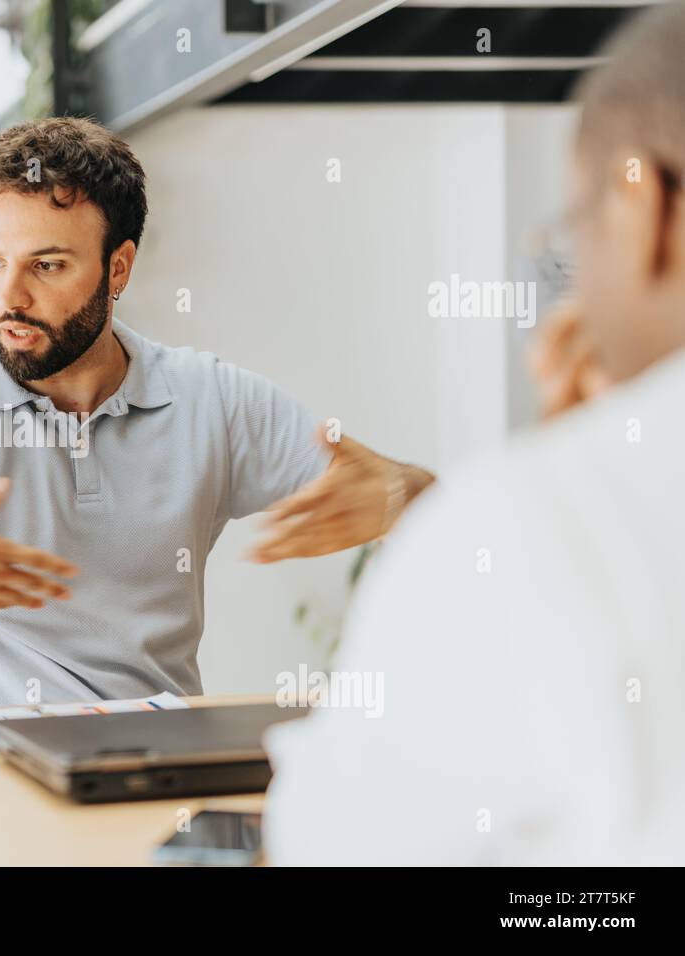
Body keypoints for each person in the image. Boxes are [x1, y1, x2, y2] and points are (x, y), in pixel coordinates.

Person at [0, 116, 432, 709]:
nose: (8, 297)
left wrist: (403, 496)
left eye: (46, 266)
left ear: (118, 269)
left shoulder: (212, 400)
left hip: (155, 767)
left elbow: (424, 505)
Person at [263, 1, 685, 865]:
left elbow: (324, 851)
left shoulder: (534, 522)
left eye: (577, 230)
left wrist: (558, 471)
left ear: (643, 208)